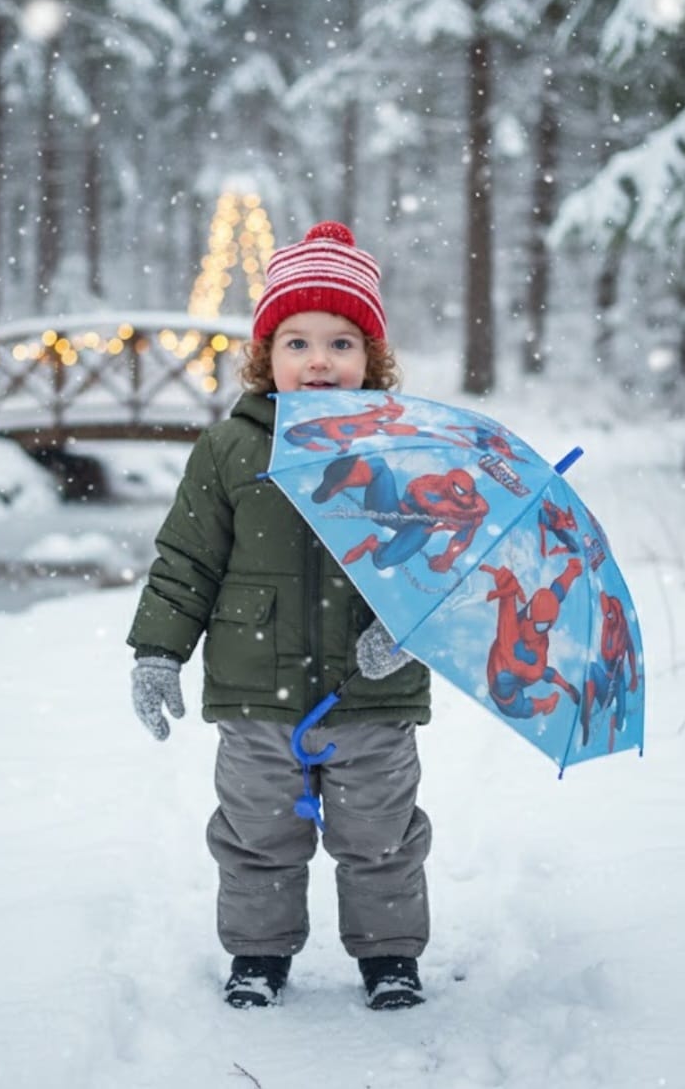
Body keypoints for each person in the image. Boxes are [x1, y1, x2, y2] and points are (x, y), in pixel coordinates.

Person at [126, 221, 432, 1011]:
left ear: (372, 359)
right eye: (296, 342)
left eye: (341, 342)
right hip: (256, 688)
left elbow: (442, 566)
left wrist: (409, 628)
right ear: (266, 357)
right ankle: (259, 954)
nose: (319, 360)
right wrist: (160, 649)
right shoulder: (230, 449)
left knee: (382, 836)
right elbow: (187, 559)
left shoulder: (401, 450)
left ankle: (390, 955)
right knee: (257, 833)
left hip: (373, 694)